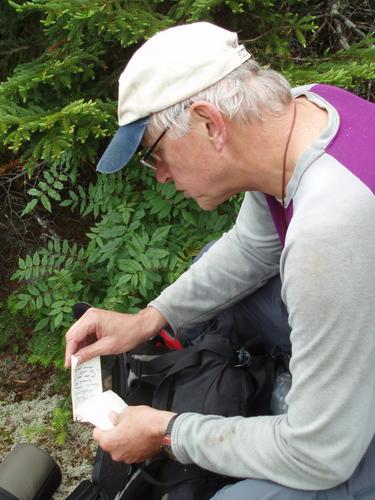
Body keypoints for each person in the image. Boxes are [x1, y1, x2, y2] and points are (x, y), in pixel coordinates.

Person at [64, 22, 375, 499]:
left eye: (154, 155)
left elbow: (320, 454)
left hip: (335, 439)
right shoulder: (311, 110)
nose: (162, 177)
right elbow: (253, 247)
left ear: (210, 123)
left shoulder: (327, 228)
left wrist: (168, 432)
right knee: (217, 271)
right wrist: (149, 319)